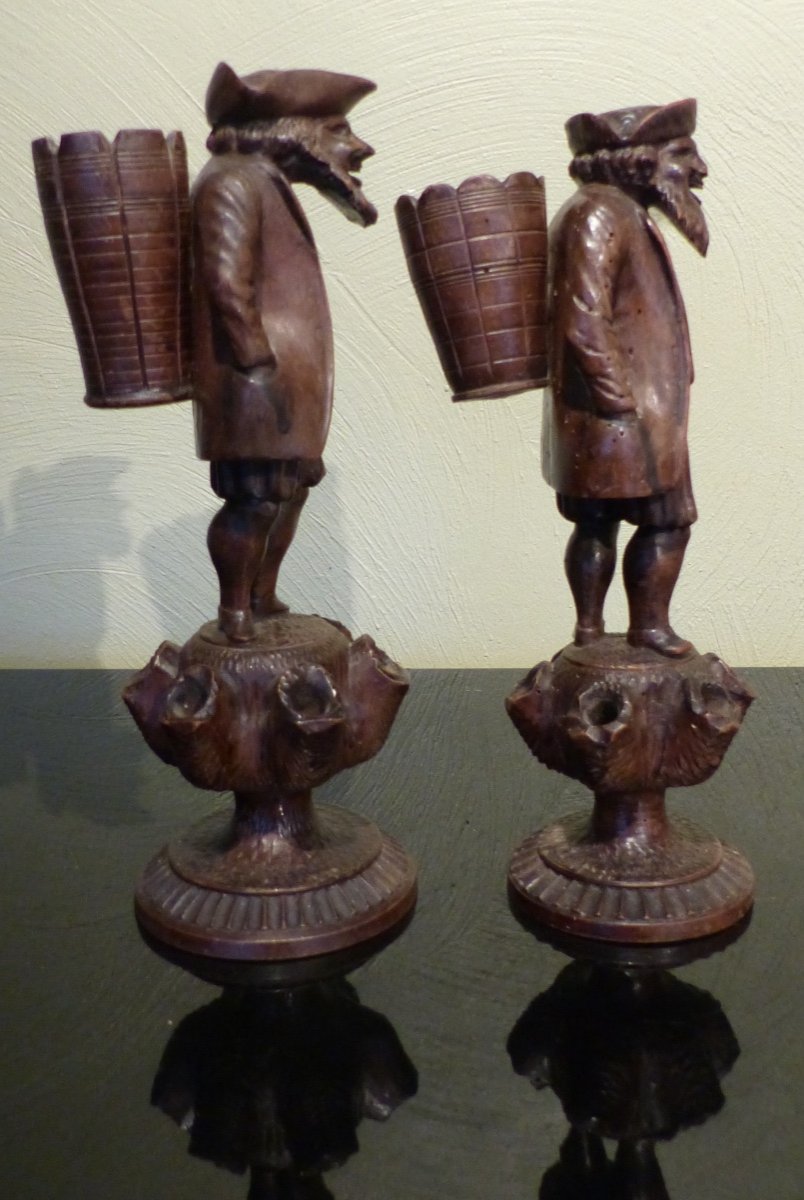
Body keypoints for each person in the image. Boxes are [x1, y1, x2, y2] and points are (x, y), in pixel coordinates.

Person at [192, 63, 377, 642]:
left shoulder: (260, 181)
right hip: (253, 383)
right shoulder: (232, 182)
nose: (357, 146)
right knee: (252, 500)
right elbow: (226, 281)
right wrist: (257, 361)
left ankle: (261, 595)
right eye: (338, 130)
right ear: (291, 130)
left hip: (280, 383)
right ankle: (235, 610)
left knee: (289, 491)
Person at [542, 99, 709, 657]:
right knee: (665, 520)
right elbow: (582, 320)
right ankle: (641, 628)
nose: (699, 168)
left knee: (598, 522)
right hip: (624, 412)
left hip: (621, 410)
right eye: (682, 154)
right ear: (640, 159)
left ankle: (593, 630)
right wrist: (621, 405)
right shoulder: (601, 214)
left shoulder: (614, 212)